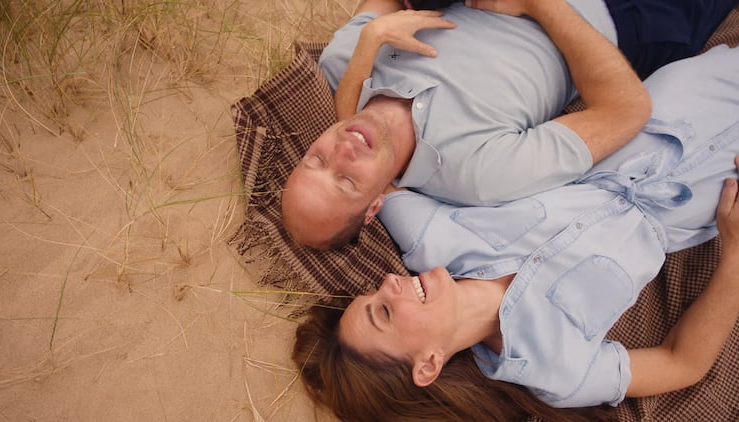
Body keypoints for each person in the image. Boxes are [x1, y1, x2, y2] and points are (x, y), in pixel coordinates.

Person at [292, 43, 739, 421]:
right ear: (428, 365)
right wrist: (736, 253)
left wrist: (370, 38)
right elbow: (683, 364)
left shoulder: (430, 237)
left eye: (373, 297)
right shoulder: (554, 372)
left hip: (668, 113)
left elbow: (362, 163)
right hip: (710, 192)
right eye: (384, 313)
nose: (388, 284)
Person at [281, 0, 738, 250]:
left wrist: (372, 42)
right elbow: (627, 110)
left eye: (316, 159)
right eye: (345, 182)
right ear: (377, 205)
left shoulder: (346, 64)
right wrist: (540, 4)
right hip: (627, 18)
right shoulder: (475, 174)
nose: (341, 153)